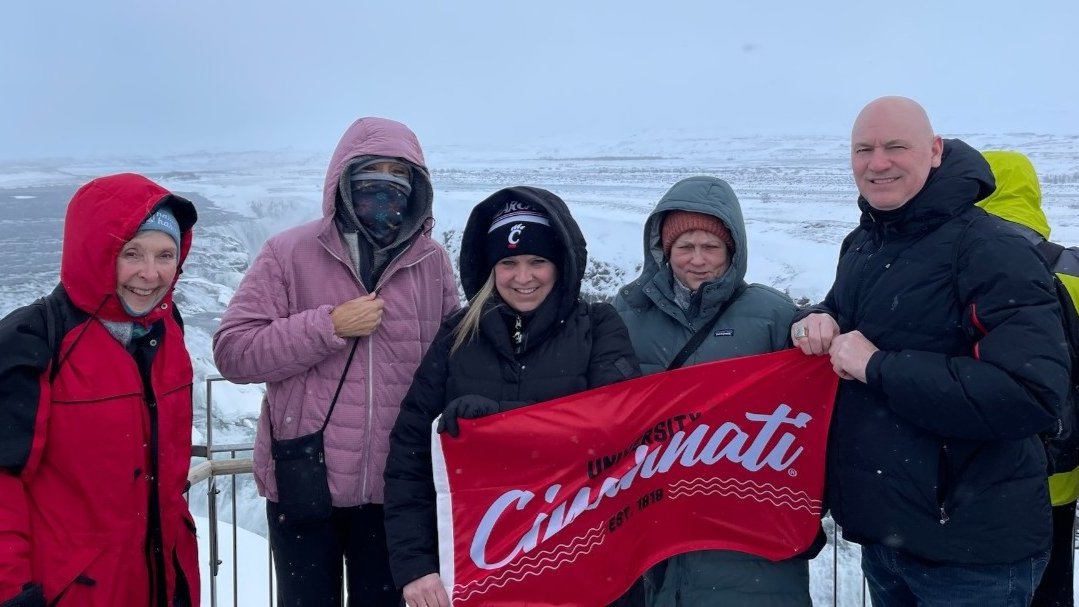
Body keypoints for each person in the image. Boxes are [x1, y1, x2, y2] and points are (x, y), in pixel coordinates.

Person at [791, 96, 1070, 606]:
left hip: (972, 555)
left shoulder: (992, 250)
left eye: (896, 146)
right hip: (887, 535)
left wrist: (878, 367)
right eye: (864, 149)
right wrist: (816, 318)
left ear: (935, 151)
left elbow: (1028, 395)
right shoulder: (863, 245)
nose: (878, 163)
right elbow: (844, 317)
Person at [212, 117, 458, 607]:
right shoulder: (289, 253)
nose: (385, 186)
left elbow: (453, 361)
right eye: (371, 172)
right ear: (344, 179)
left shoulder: (431, 262)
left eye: (399, 173)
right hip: (305, 486)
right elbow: (234, 352)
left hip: (395, 492)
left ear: (418, 187)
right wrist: (328, 327)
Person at [383, 186, 643, 607]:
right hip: (478, 568)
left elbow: (618, 432)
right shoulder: (456, 335)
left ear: (560, 265)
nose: (524, 278)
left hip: (583, 563)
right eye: (509, 263)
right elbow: (408, 456)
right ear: (491, 269)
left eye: (537, 261)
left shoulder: (598, 328)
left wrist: (498, 424)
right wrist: (416, 567)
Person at [613, 176, 817, 606]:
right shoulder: (630, 315)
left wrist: (811, 507)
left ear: (733, 250)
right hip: (656, 518)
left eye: (712, 247)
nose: (698, 260)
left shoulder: (771, 315)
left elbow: (817, 409)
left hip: (749, 521)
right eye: (685, 246)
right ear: (665, 250)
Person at [0, 173, 200, 606]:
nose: (151, 274)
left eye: (166, 255)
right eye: (132, 253)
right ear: (96, 251)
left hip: (163, 580)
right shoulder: (34, 339)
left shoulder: (168, 329)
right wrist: (12, 594)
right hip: (73, 589)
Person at [978, 149, 1079, 607]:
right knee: (1051, 587)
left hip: (980, 476)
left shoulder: (966, 267)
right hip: (1061, 474)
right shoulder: (1073, 269)